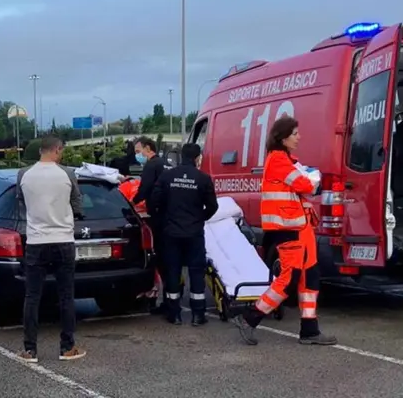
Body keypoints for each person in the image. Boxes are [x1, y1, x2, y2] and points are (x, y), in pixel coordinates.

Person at [233, 117, 337, 346]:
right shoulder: (279, 161)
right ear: (282, 137)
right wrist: (313, 177)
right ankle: (250, 318)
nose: (299, 137)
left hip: (301, 228)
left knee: (310, 278)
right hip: (289, 229)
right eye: (295, 133)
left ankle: (310, 330)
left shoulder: (285, 161)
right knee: (289, 279)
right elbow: (308, 186)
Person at [16, 136, 86, 363]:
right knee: (66, 296)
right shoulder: (67, 174)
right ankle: (67, 347)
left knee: (32, 296)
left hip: (36, 242)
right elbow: (77, 205)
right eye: (61, 151)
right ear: (56, 150)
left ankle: (29, 350)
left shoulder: (23, 175)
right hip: (63, 240)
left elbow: (21, 203)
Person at [150, 143, 218, 325]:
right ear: (197, 158)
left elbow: (154, 202)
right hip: (194, 233)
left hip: (171, 232)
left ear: (181, 156)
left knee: (173, 270)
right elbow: (213, 206)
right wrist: (199, 218)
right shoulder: (203, 178)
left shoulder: (167, 176)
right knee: (196, 271)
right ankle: (198, 315)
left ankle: (174, 314)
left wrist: (164, 219)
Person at [132, 136, 172, 314]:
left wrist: (131, 202)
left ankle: (162, 299)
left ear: (148, 148)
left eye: (138, 151)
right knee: (171, 259)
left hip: (157, 216)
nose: (137, 155)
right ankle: (172, 297)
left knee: (159, 258)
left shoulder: (151, 165)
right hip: (169, 215)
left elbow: (145, 188)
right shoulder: (164, 164)